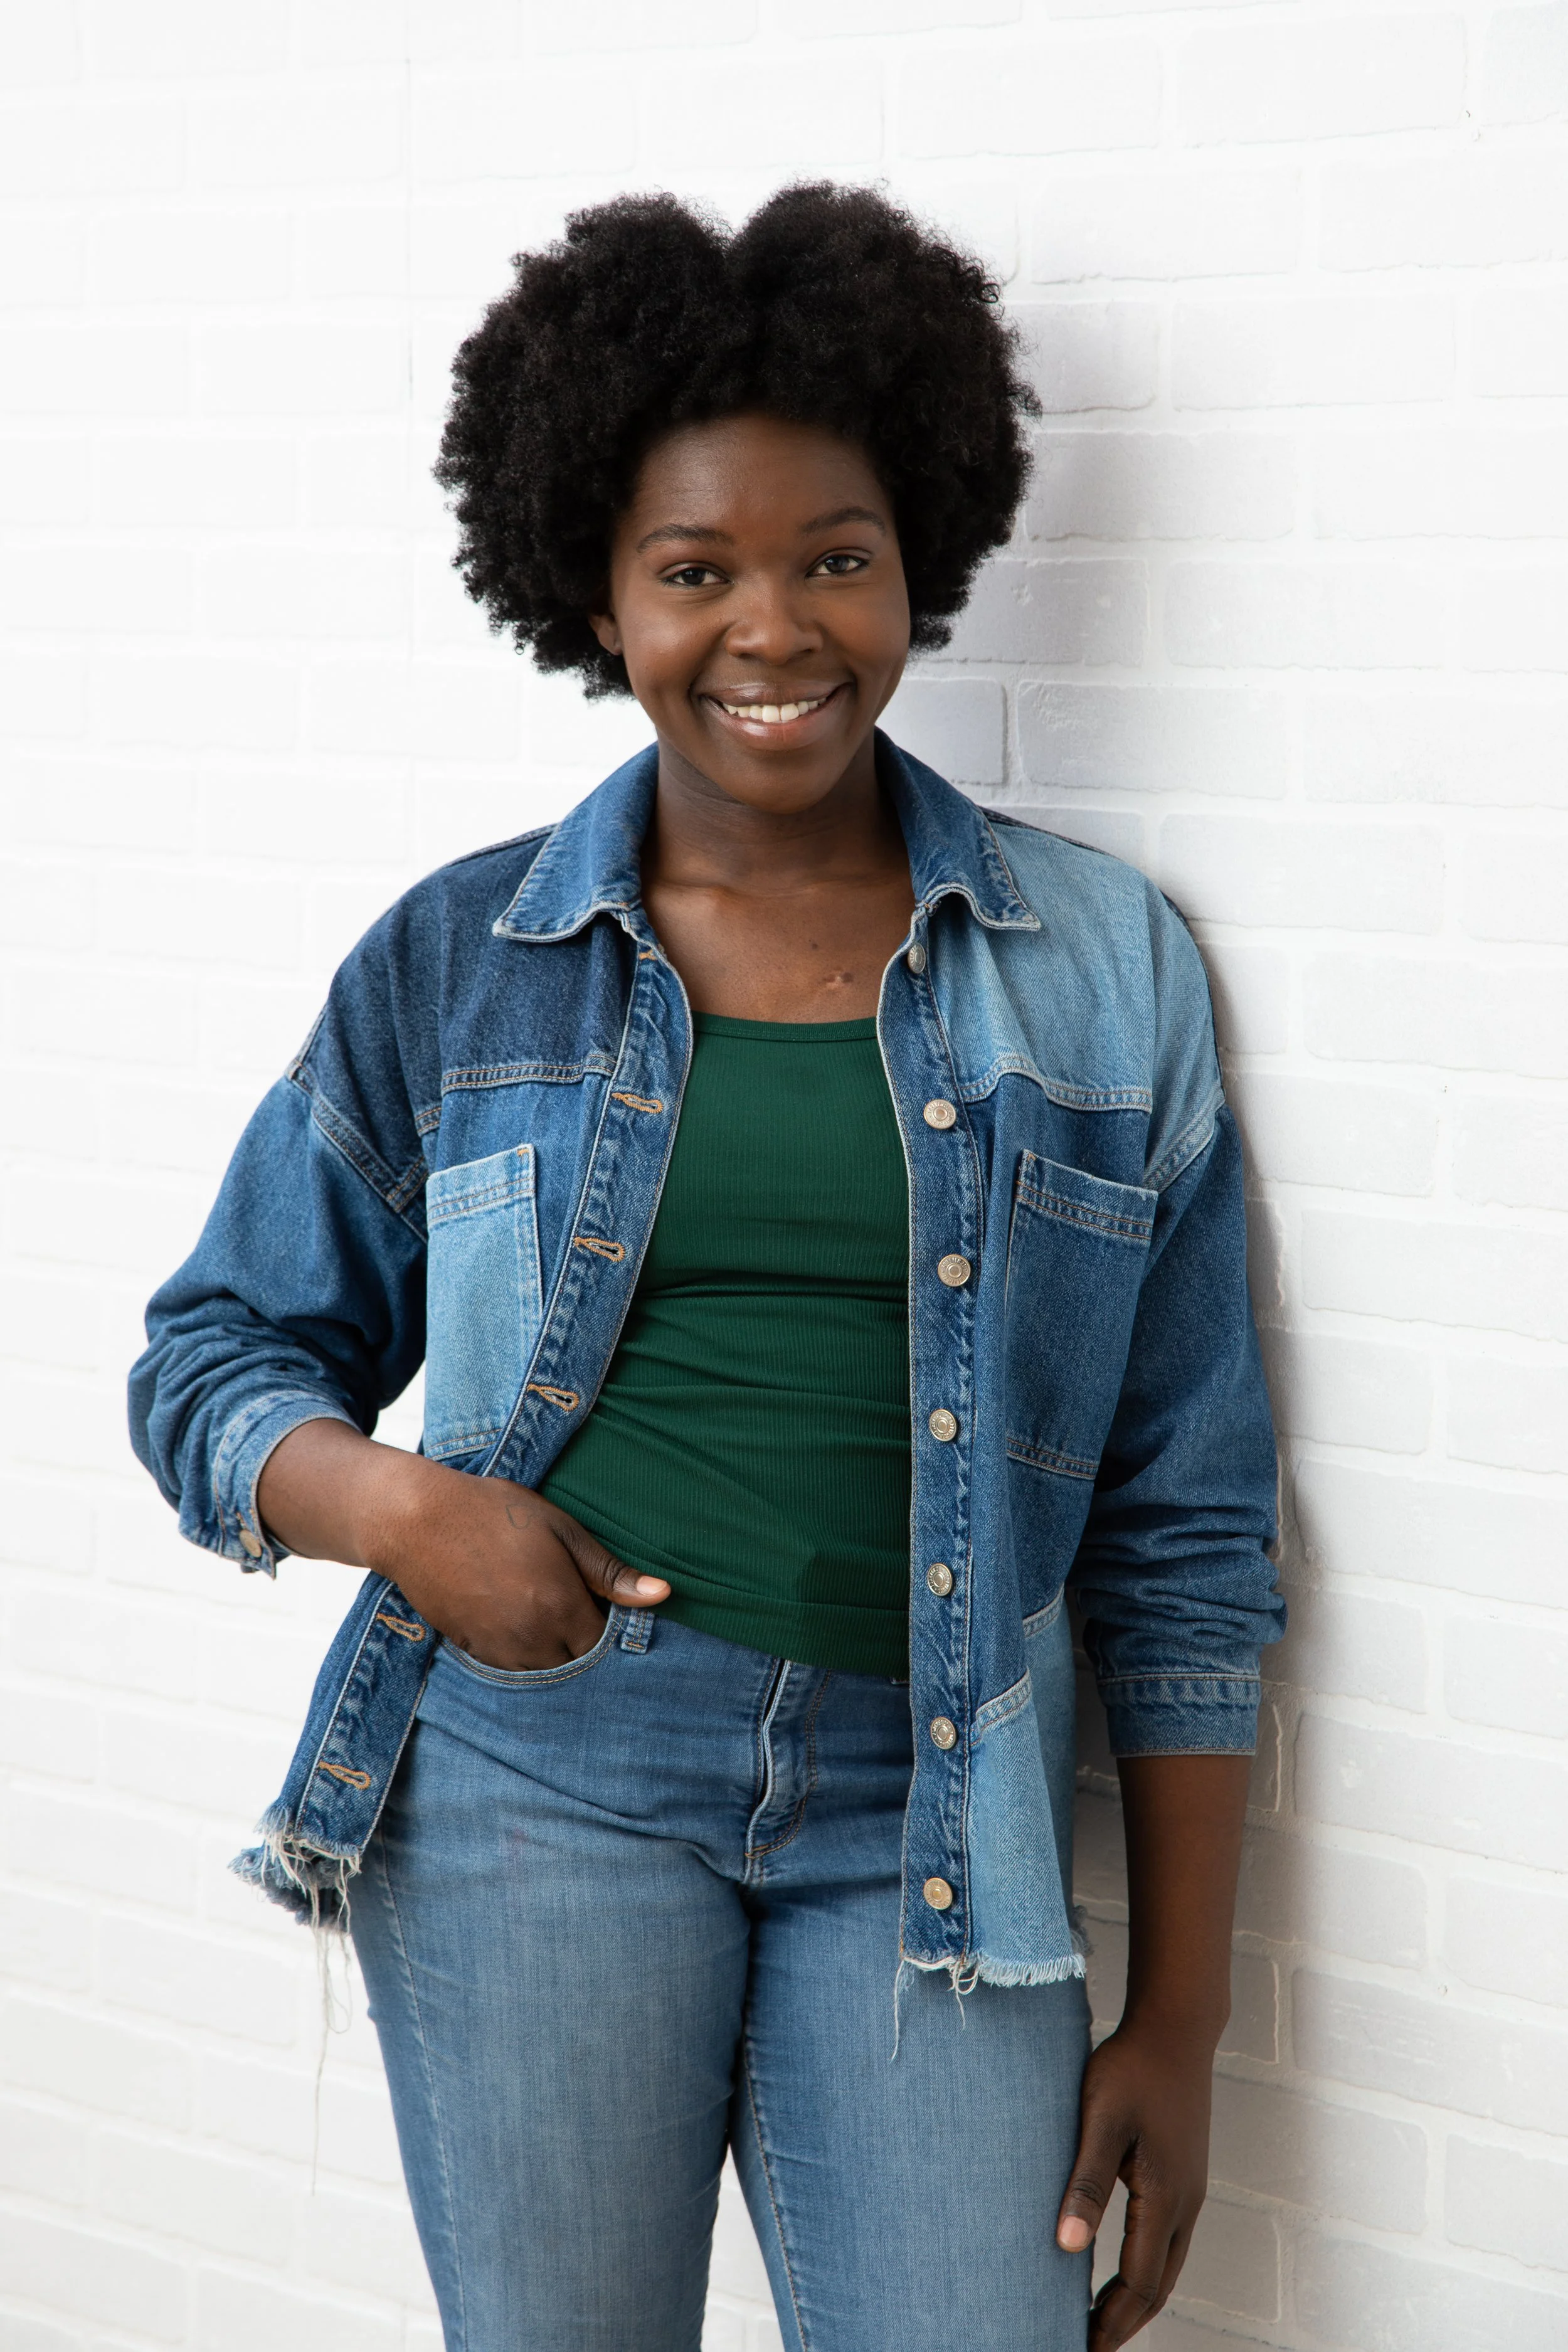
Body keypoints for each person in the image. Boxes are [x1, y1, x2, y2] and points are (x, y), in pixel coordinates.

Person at [129, 183, 1283, 2352]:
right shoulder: (465, 958)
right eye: (694, 570)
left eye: (834, 557)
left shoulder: (1100, 969)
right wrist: (410, 1512)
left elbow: (1186, 1528)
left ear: (920, 556)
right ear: (593, 588)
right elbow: (210, 1357)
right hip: (537, 1779)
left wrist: (1183, 2017)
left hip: (936, 1810)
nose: (773, 628)